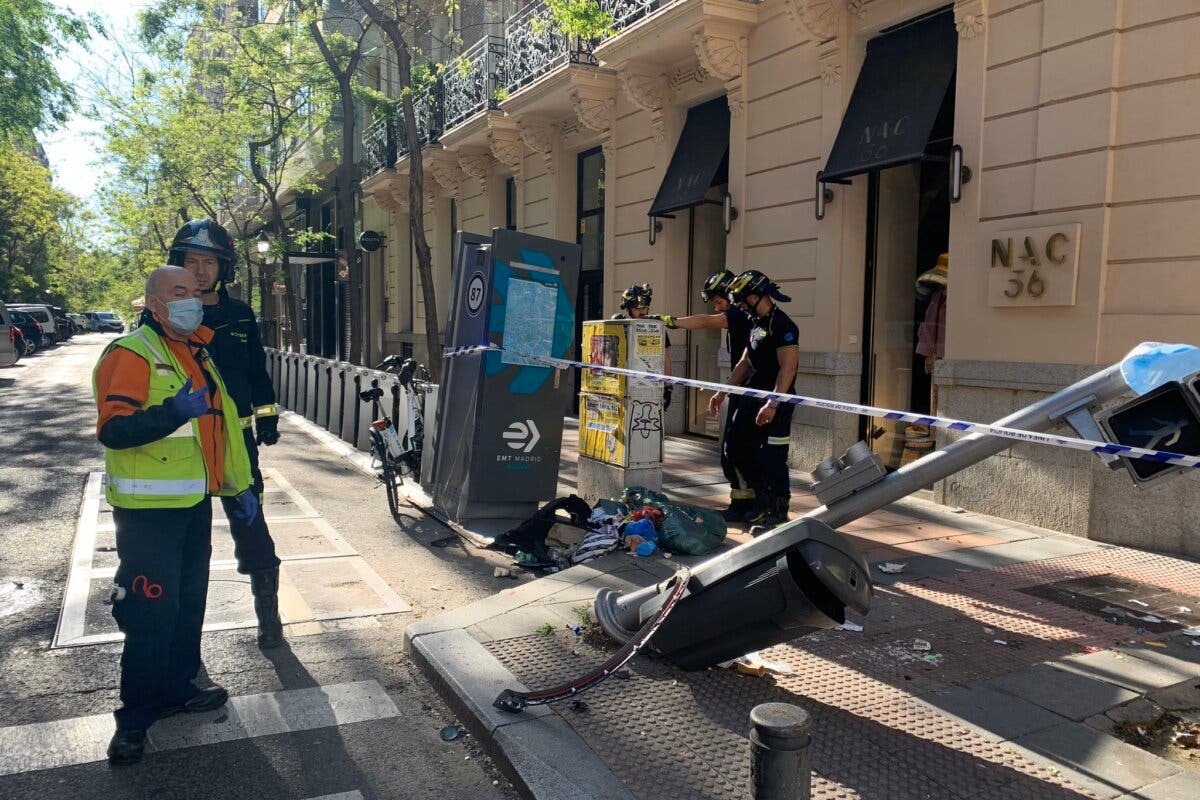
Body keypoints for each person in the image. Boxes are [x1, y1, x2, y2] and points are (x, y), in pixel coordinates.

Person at [93, 266, 258, 765]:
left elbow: (220, 428)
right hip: (147, 515)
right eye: (178, 292)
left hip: (191, 504)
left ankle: (179, 688)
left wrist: (239, 486)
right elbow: (113, 429)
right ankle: (135, 721)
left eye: (195, 292)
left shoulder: (195, 350)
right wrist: (173, 413)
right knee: (150, 614)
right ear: (153, 303)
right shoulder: (131, 353)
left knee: (188, 604)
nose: (192, 299)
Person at [170, 219, 285, 650]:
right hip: (184, 448)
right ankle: (183, 639)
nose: (200, 271)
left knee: (253, 531)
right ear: (177, 263)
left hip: (237, 449)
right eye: (191, 261)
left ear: (224, 267)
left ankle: (270, 619)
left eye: (209, 262)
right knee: (185, 546)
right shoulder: (161, 313)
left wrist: (267, 417)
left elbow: (257, 371)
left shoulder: (239, 315)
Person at [656, 270, 755, 520]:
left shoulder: (738, 315)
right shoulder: (739, 316)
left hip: (749, 391)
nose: (716, 305)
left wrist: (672, 321)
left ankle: (751, 505)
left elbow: (705, 322)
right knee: (732, 450)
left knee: (737, 449)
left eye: (717, 300)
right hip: (739, 387)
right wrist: (722, 391)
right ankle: (741, 503)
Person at [720, 269, 799, 530]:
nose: (741, 307)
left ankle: (778, 509)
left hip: (777, 402)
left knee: (772, 458)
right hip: (752, 397)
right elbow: (745, 362)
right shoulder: (755, 324)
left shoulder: (784, 326)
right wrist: (723, 391)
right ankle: (760, 499)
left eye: (743, 301)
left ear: (757, 295)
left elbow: (788, 368)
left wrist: (773, 403)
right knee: (735, 449)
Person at [612, 283, 673, 409]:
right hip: (623, 387)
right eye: (636, 309)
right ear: (629, 310)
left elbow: (665, 358)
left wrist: (668, 387)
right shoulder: (621, 327)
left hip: (649, 387)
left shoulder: (657, 328)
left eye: (644, 307)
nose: (642, 312)